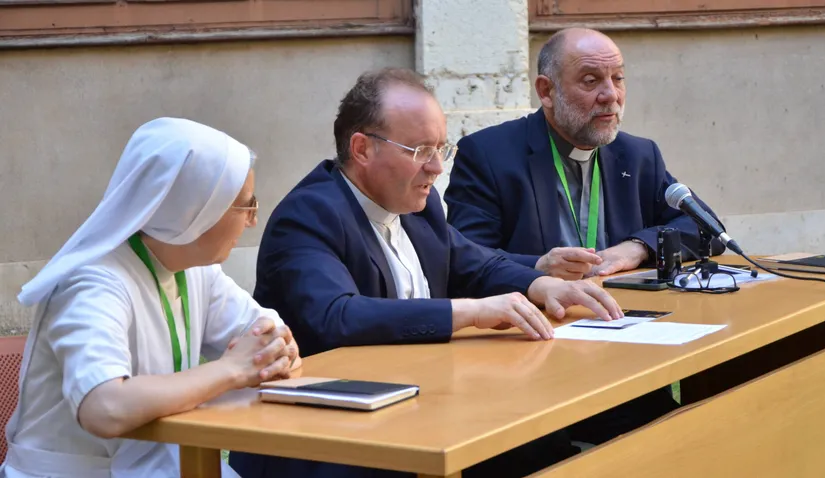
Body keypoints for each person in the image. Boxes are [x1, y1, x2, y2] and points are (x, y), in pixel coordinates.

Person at [229, 68, 624, 478]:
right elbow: (337, 316)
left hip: (415, 409)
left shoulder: (419, 204)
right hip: (326, 439)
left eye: (441, 148)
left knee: (542, 443)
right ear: (362, 148)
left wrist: (541, 284)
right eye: (420, 150)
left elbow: (475, 263)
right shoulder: (309, 214)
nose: (436, 167)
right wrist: (470, 312)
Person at [1, 118, 301, 478]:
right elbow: (104, 407)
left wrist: (274, 347)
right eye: (246, 206)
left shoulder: (195, 268)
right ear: (197, 209)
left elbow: (267, 334)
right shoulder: (93, 281)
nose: (252, 221)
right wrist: (231, 369)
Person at [444, 27, 725, 281]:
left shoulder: (637, 155)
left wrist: (637, 247)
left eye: (618, 78)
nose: (611, 95)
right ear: (546, 91)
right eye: (591, 81)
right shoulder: (488, 155)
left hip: (626, 312)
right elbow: (465, 259)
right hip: (540, 314)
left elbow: (708, 230)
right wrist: (538, 267)